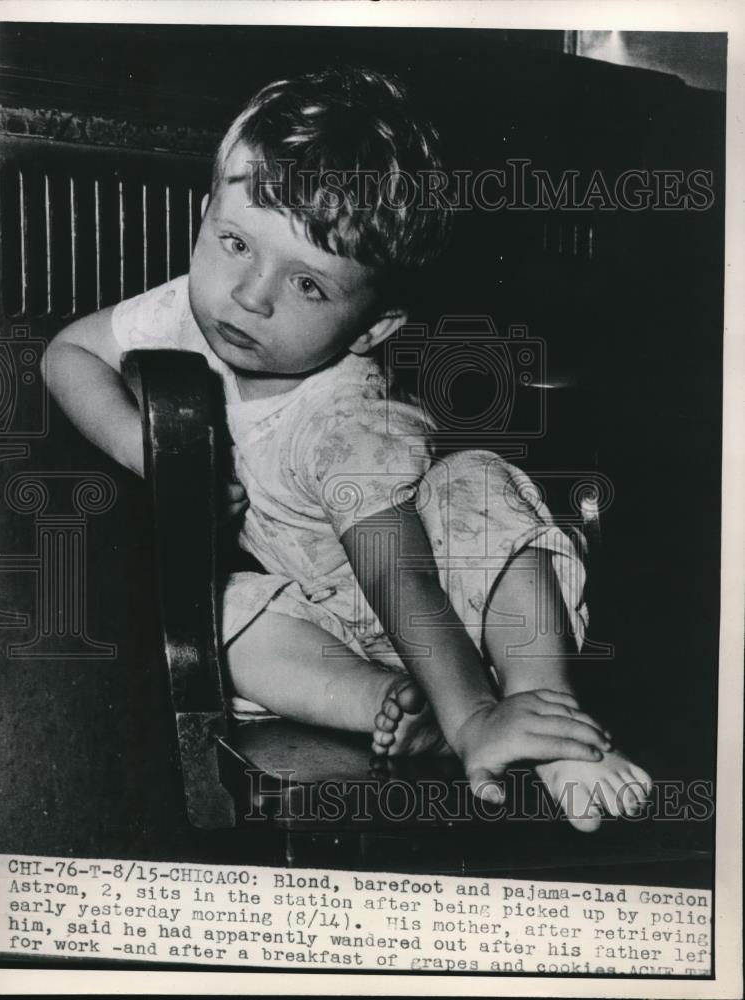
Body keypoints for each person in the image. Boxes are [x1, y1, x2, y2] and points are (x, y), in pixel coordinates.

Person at [43, 66, 651, 832]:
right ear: (205, 215)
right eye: (234, 242)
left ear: (369, 330)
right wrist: (151, 452)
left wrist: (472, 719)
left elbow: (402, 580)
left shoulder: (342, 420)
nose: (250, 294)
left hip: (448, 604)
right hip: (328, 629)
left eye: (308, 287)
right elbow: (68, 355)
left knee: (476, 485)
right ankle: (389, 707)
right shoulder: (195, 307)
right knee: (215, 614)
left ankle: (538, 709)